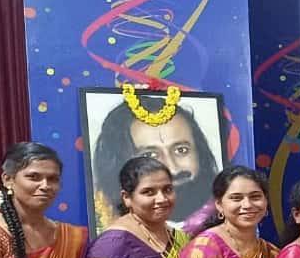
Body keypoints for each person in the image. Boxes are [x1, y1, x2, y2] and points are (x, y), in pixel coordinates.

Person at [91, 92, 220, 232]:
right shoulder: (110, 233)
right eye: (150, 155)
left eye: (181, 150)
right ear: (119, 166)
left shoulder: (229, 221)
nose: (172, 169)